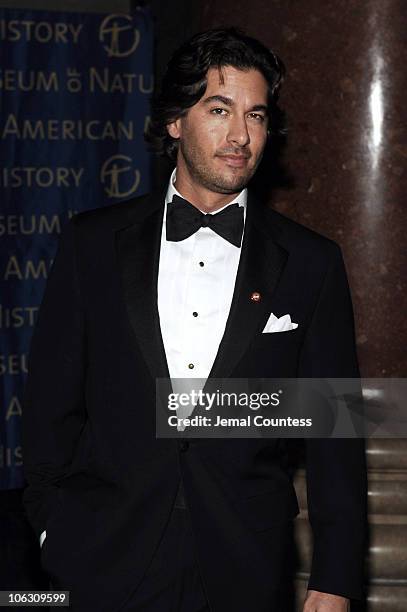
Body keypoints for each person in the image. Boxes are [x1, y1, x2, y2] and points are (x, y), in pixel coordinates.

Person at [23, 28, 367, 612]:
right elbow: (50, 408)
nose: (241, 135)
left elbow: (337, 436)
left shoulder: (310, 263)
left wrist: (333, 578)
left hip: (244, 560)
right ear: (175, 122)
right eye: (219, 109)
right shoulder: (93, 243)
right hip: (102, 556)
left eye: (255, 115)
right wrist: (51, 528)